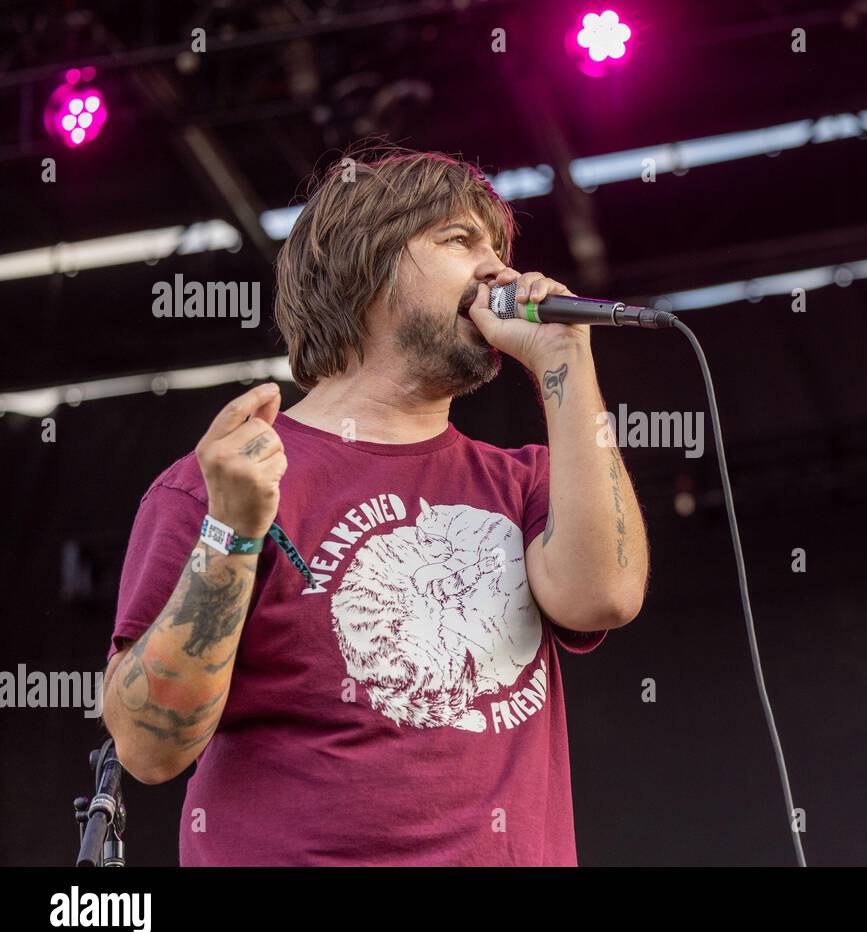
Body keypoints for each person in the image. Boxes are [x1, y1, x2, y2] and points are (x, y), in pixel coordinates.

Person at [101, 148, 649, 865]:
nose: (499, 270)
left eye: (500, 249)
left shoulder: (524, 482)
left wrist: (566, 363)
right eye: (460, 241)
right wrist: (230, 532)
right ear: (366, 266)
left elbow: (602, 596)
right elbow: (147, 747)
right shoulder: (219, 484)